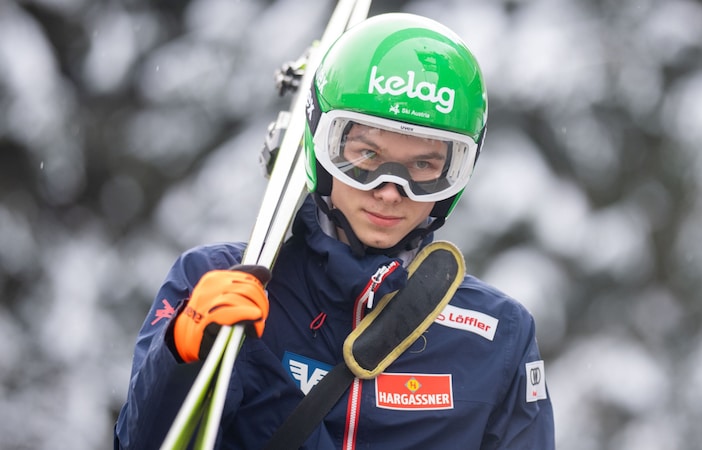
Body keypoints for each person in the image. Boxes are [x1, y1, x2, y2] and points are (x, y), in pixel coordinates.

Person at [115, 12, 555, 450]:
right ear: (320, 146)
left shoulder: (498, 334)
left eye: (424, 166)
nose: (389, 191)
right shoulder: (218, 282)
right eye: (366, 154)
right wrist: (179, 355)